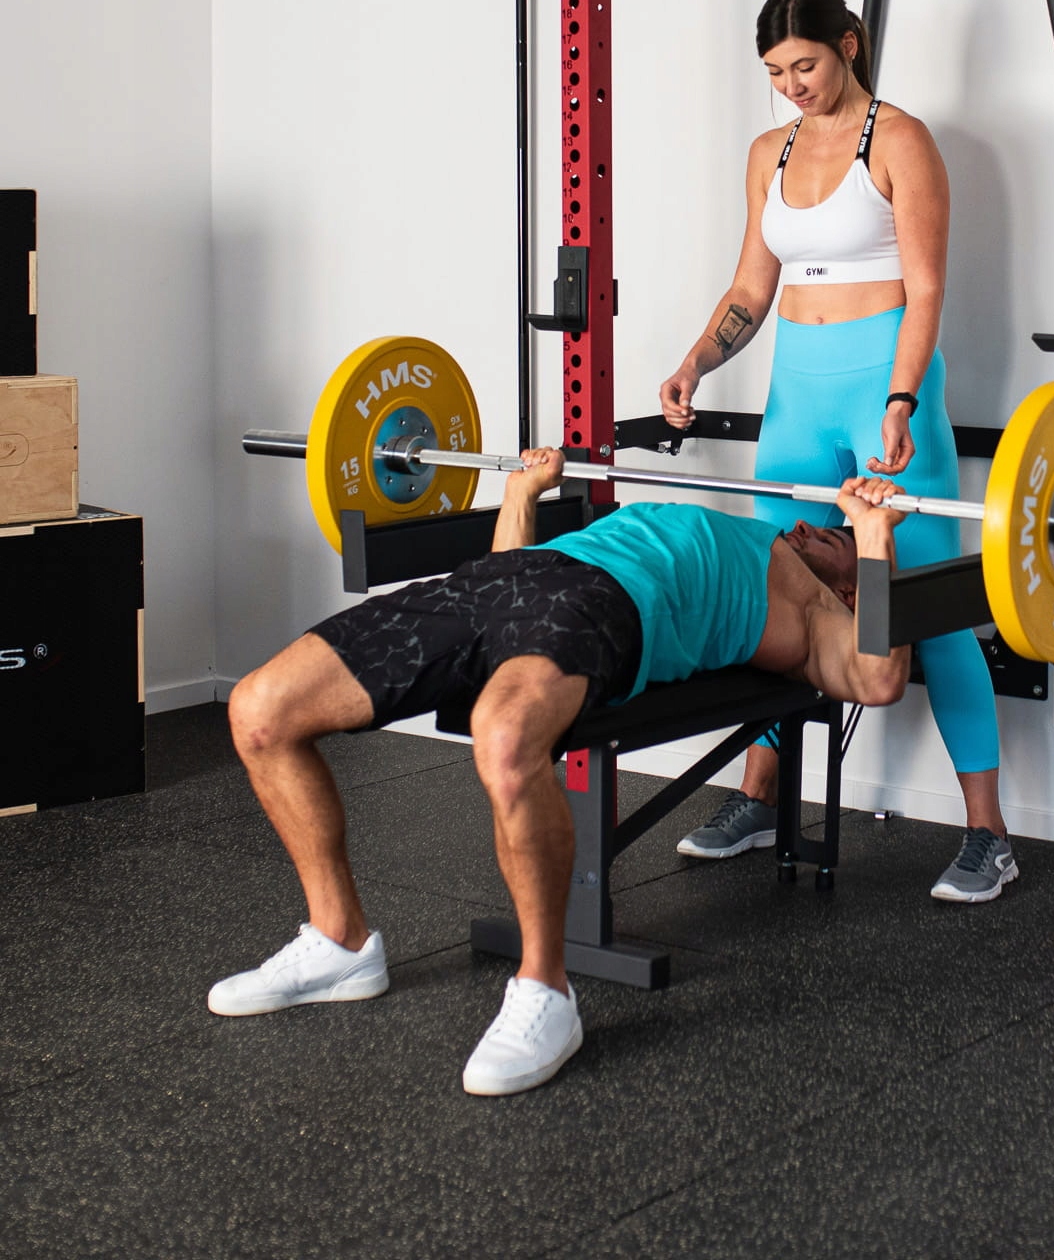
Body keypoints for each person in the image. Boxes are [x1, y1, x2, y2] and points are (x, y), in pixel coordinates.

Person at [209, 450, 912, 1098]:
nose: (806, 526)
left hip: (602, 603)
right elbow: (503, 604)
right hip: (502, 580)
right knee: (259, 710)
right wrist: (523, 492)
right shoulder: (768, 545)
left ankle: (545, 991)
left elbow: (877, 679)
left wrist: (876, 535)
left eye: (834, 536)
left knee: (506, 740)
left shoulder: (810, 611)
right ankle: (339, 941)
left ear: (850, 590)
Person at [660, 0, 1015, 904]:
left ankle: (989, 834)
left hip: (884, 391)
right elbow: (751, 289)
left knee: (926, 606)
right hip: (798, 393)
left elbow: (926, 289)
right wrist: (697, 362)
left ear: (848, 46)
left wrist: (901, 398)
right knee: (775, 593)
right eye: (776, 72)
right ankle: (758, 801)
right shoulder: (767, 153)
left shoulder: (901, 140)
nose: (792, 85)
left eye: (805, 65)